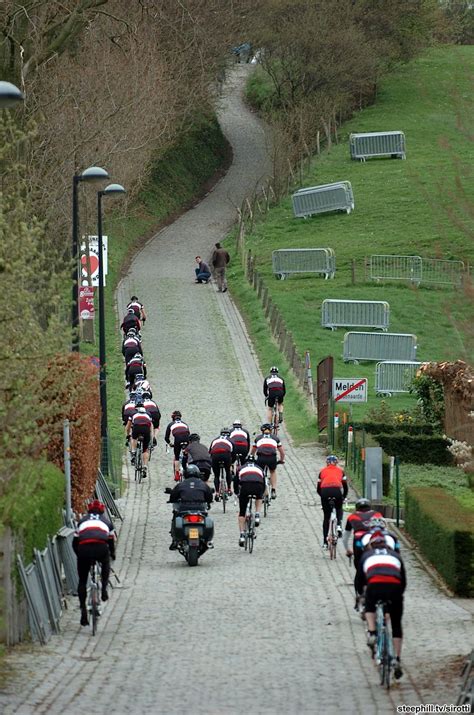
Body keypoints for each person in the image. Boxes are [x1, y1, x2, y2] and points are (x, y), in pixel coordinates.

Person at [356, 533, 406, 680]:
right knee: (396, 624)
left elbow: (359, 580)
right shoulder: (396, 556)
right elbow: (403, 580)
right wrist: (398, 598)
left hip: (375, 585)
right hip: (394, 587)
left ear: (371, 544)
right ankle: (397, 658)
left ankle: (372, 632)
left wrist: (362, 595)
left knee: (369, 605)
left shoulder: (367, 555)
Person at [73, 500, 116, 627]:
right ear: (102, 512)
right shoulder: (107, 522)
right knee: (105, 562)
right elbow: (111, 542)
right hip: (100, 547)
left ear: (89, 511)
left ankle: (83, 612)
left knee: (82, 580)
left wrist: (79, 555)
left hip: (84, 550)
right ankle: (103, 590)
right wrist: (112, 554)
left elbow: (75, 542)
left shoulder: (82, 521)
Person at [343, 498, 384, 608]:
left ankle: (359, 596)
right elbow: (385, 530)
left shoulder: (352, 517)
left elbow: (345, 536)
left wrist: (347, 549)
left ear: (357, 508)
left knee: (360, 571)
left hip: (359, 544)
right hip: (376, 543)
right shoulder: (377, 514)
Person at [168, 464, 213, 550]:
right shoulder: (203, 484)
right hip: (200, 509)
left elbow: (173, 497)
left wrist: (172, 498)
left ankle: (174, 540)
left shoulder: (181, 484)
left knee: (175, 515)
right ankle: (207, 540)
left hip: (184, 508)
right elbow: (209, 497)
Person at [234, 455, 265, 547]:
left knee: (242, 513)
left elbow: (236, 482)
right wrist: (261, 494)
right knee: (259, 497)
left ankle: (242, 535)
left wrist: (237, 493)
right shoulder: (259, 468)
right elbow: (263, 483)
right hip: (258, 485)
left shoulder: (240, 468)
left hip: (246, 487)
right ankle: (257, 514)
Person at [317, 455, 348, 547]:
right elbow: (345, 487)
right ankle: (338, 525)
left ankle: (325, 542)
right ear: (336, 463)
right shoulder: (341, 471)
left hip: (325, 492)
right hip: (336, 491)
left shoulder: (322, 471)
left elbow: (318, 489)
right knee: (339, 508)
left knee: (326, 517)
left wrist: (323, 497)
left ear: (327, 463)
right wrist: (343, 497)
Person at [251, 423, 285, 499]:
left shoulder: (258, 438)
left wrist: (251, 458)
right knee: (272, 471)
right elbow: (282, 452)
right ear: (271, 430)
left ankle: (264, 491)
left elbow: (253, 452)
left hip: (261, 457)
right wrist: (281, 460)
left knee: (261, 473)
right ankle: (273, 490)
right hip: (272, 457)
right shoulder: (275, 438)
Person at [127, 400, 153, 477]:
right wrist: (151, 436)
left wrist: (128, 435)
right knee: (145, 450)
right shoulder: (148, 413)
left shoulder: (133, 413)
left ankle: (134, 452)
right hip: (146, 429)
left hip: (137, 427)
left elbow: (128, 426)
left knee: (133, 438)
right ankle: (144, 466)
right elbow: (151, 426)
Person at [164, 410, 191, 480]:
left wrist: (170, 443)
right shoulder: (185, 424)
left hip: (178, 440)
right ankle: (188, 468)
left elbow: (166, 437)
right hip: (186, 439)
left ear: (173, 418)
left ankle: (177, 474)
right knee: (187, 454)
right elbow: (189, 434)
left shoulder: (171, 424)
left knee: (177, 456)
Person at [209, 427, 233, 498]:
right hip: (226, 455)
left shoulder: (215, 440)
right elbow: (233, 453)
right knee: (228, 471)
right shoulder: (231, 440)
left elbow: (210, 452)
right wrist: (231, 463)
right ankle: (229, 489)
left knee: (216, 475)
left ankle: (217, 492)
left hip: (215, 456)